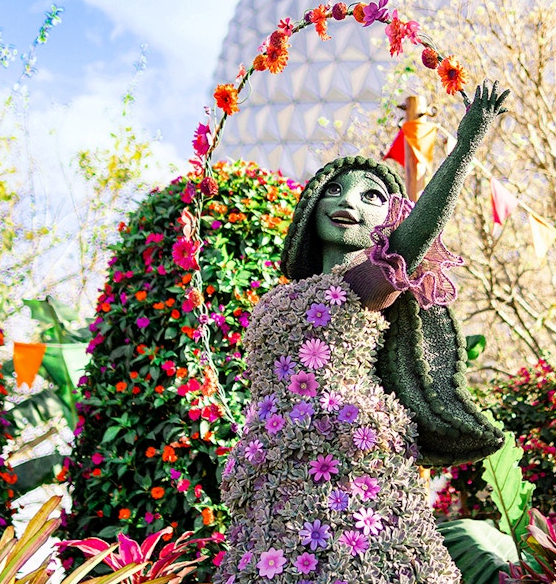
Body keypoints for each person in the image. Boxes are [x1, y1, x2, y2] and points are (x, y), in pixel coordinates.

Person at [217, 81, 510, 584]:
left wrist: (464, 146)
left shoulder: (367, 282)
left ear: (389, 219)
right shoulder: (277, 296)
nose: (346, 201)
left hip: (349, 458)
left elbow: (417, 237)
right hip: (271, 463)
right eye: (333, 189)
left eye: (370, 195)